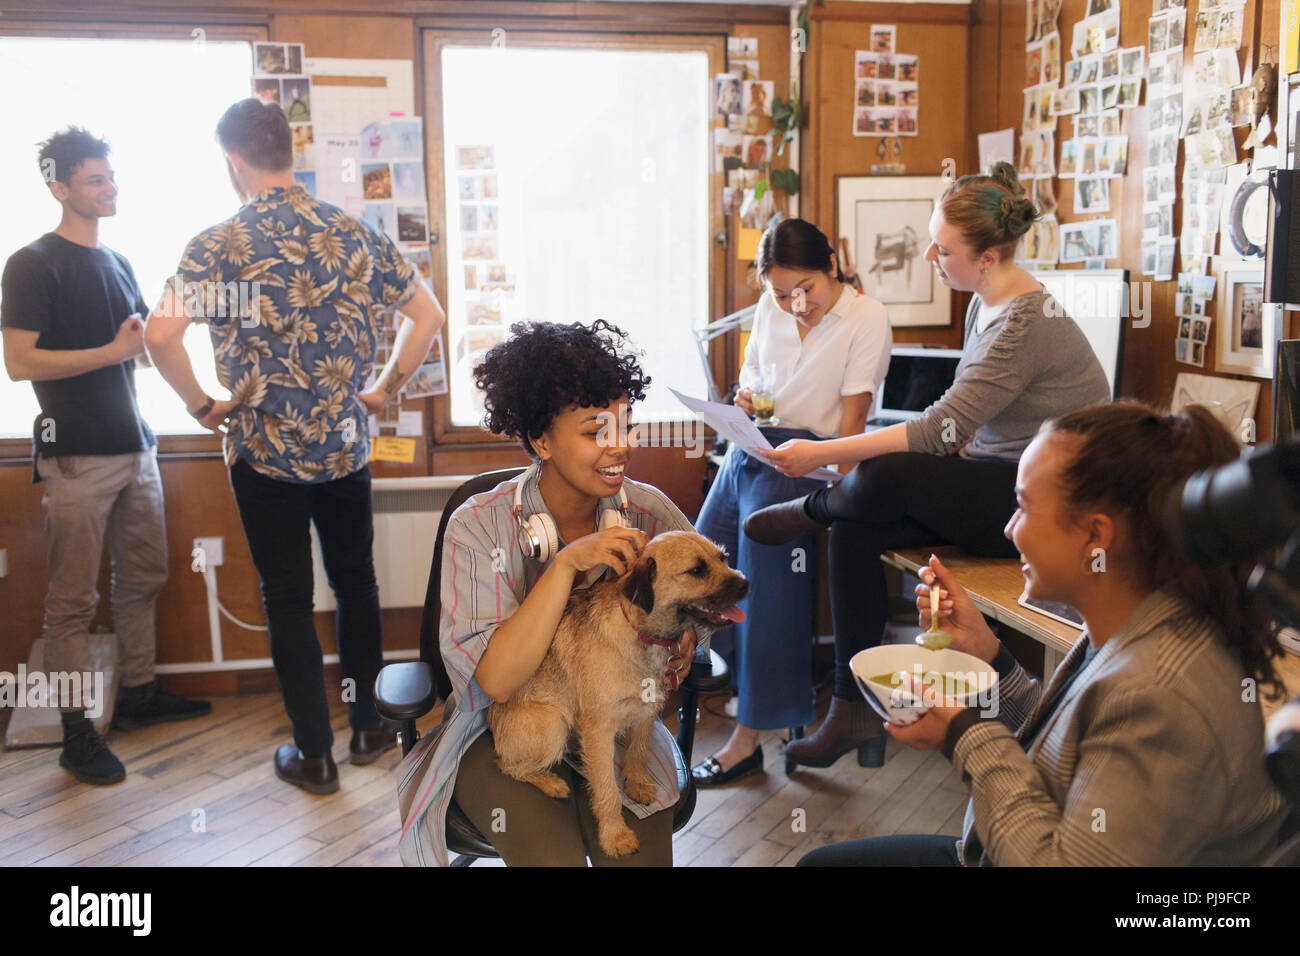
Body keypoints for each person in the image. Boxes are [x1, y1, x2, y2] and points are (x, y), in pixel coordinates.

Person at [799, 402, 1290, 865]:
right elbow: (1073, 750)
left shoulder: (1161, 696)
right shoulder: (1137, 621)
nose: (1010, 528)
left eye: (1023, 506)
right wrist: (990, 656)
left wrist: (964, 734)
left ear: (1096, 536)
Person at [745, 162, 1112, 771]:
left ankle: (810, 508)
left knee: (891, 471)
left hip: (1049, 507)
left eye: (943, 251)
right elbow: (962, 432)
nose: (930, 260)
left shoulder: (1025, 322)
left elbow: (936, 428)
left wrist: (818, 457)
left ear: (988, 257)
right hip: (1002, 484)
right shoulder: (982, 304)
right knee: (858, 525)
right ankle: (852, 707)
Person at [144, 98, 445, 794]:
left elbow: (159, 335)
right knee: (357, 582)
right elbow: (426, 316)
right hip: (345, 447)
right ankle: (371, 726)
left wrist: (199, 405)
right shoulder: (352, 232)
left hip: (261, 452)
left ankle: (315, 756)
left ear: (234, 161)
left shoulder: (216, 245)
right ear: (290, 152)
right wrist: (386, 389)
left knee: (287, 598)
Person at [396, 320, 699, 866]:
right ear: (541, 440)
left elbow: (700, 604)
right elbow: (498, 682)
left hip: (619, 727)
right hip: (499, 733)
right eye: (594, 431)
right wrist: (563, 567)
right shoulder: (478, 526)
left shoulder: (651, 514)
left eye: (625, 425)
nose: (621, 446)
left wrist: (684, 642)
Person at [0, 127, 210, 786]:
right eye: (95, 180)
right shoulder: (32, 263)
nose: (109, 188)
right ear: (60, 188)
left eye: (111, 178)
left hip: (135, 446)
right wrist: (114, 353)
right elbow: (19, 361)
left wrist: (173, 336)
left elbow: (141, 345)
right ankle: (74, 733)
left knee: (142, 578)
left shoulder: (118, 262)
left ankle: (140, 693)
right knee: (71, 602)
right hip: (75, 456)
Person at [691, 219, 891, 785]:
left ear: (831, 264)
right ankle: (752, 693)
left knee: (763, 586)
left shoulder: (866, 318)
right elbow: (750, 384)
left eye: (804, 287)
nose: (794, 303)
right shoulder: (770, 308)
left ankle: (748, 736)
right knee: (699, 563)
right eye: (781, 293)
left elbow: (853, 428)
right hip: (754, 450)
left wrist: (826, 475)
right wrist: (745, 404)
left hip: (814, 460)